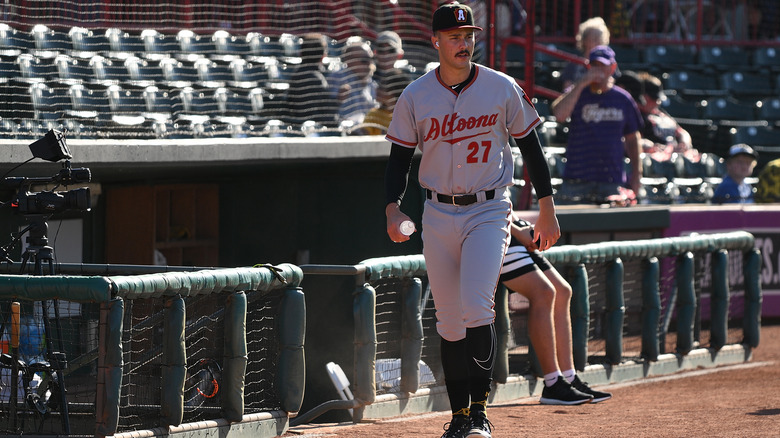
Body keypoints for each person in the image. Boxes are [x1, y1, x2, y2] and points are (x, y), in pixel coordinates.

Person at [384, 3, 560, 437]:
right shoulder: (416, 95)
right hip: (437, 210)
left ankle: (479, 415)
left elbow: (531, 148)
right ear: (437, 41)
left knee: (477, 306)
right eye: (455, 36)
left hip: (488, 208)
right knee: (447, 318)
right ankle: (459, 417)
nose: (464, 43)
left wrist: (547, 207)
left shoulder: (501, 87)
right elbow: (398, 160)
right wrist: (392, 206)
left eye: (469, 36)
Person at [500, 214, 612, 405]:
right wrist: (518, 231)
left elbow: (501, 196)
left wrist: (523, 227)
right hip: (494, 233)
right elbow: (482, 198)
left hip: (512, 228)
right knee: (544, 292)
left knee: (562, 291)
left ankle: (568, 378)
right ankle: (553, 382)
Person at [551, 45, 643, 206]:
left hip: (611, 179)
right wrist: (580, 84)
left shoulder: (623, 99)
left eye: (603, 65)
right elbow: (559, 114)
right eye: (594, 65)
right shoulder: (579, 92)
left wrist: (636, 174)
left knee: (612, 228)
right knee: (567, 226)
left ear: (612, 67)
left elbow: (632, 138)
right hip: (577, 177)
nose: (598, 70)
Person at [359, 31, 414, 135]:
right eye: (381, 50)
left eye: (390, 50)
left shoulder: (408, 81)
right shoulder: (364, 76)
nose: (385, 54)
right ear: (375, 52)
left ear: (400, 54)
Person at [286, 32, 339, 129]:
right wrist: (338, 100)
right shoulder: (316, 79)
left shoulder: (297, 74)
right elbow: (323, 114)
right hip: (315, 131)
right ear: (323, 56)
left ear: (301, 53)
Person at [331, 36, 378, 125]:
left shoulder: (371, 84)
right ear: (349, 60)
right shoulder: (339, 77)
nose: (369, 64)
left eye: (371, 59)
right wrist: (337, 100)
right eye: (364, 60)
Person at [560, 17, 611, 91]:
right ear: (584, 40)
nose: (598, 41)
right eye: (594, 38)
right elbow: (566, 90)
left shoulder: (609, 63)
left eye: (600, 38)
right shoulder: (573, 63)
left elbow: (614, 85)